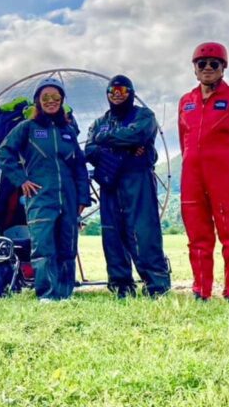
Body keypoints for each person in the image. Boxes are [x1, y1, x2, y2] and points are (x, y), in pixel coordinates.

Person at [0, 77, 91, 301]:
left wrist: (82, 198)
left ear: (62, 100)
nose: (51, 101)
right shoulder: (27, 128)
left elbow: (79, 166)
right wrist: (21, 180)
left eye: (55, 97)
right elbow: (5, 153)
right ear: (38, 101)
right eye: (45, 97)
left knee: (67, 247)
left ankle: (65, 292)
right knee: (44, 247)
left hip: (68, 198)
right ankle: (47, 295)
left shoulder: (68, 131)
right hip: (40, 197)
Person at [178, 42, 229, 303]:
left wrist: (228, 160)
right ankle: (201, 289)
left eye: (215, 63)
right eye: (202, 64)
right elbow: (184, 140)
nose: (208, 68)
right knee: (197, 236)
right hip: (192, 176)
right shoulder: (185, 102)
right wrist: (196, 161)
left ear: (224, 67)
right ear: (195, 69)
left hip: (225, 175)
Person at [85, 75, 171, 298]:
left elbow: (139, 134)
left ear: (131, 92)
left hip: (138, 178)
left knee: (145, 231)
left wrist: (107, 140)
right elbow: (90, 150)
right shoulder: (98, 122)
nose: (117, 94)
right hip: (109, 182)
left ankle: (156, 284)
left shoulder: (144, 115)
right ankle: (121, 285)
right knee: (112, 233)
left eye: (122, 90)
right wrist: (124, 147)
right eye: (112, 91)